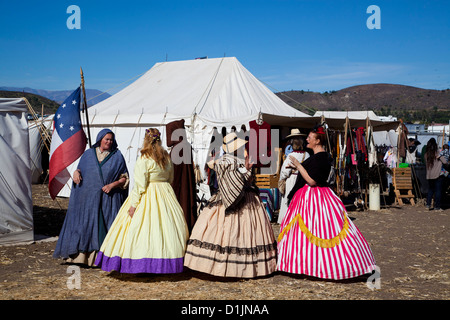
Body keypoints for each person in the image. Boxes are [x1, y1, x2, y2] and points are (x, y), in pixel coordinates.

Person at [277, 125, 376, 280]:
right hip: (310, 196)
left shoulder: (321, 158)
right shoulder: (318, 157)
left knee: (321, 230)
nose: (307, 140)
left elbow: (312, 181)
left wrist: (297, 165)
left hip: (315, 196)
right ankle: (302, 264)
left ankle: (326, 266)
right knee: (306, 232)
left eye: (310, 137)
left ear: (317, 141)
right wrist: (298, 167)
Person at [94, 128, 189, 274]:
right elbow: (170, 178)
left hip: (149, 191)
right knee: (166, 228)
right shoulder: (166, 157)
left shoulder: (145, 158)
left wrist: (134, 204)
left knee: (142, 229)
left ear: (146, 139)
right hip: (165, 192)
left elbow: (140, 184)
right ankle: (167, 263)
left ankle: (144, 264)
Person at [183, 132, 277, 278]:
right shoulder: (229, 162)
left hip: (239, 199)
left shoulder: (230, 161)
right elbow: (237, 183)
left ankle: (227, 267)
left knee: (227, 231)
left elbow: (244, 180)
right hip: (237, 201)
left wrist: (246, 170)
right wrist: (246, 170)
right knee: (233, 231)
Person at [53, 129, 129, 266]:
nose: (109, 142)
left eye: (111, 139)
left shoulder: (117, 156)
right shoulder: (88, 154)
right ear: (100, 139)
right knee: (85, 226)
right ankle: (82, 258)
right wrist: (76, 172)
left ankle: (104, 259)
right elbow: (81, 169)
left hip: (108, 200)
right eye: (106, 139)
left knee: (105, 227)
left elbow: (124, 178)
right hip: (88, 199)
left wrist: (113, 185)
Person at [166, 119, 198, 234]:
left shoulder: (179, 148)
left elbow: (175, 174)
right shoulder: (185, 146)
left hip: (179, 188)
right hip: (186, 186)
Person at [277, 129, 309, 224]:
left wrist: (281, 179)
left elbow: (284, 172)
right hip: (303, 179)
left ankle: (289, 220)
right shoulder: (307, 155)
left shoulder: (291, 156)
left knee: (289, 200)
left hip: (292, 179)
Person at [425, 138, 448, 211]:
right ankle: (437, 207)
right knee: (438, 191)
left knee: (430, 190)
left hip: (429, 175)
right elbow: (445, 162)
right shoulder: (438, 153)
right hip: (438, 174)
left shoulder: (426, 154)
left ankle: (428, 205)